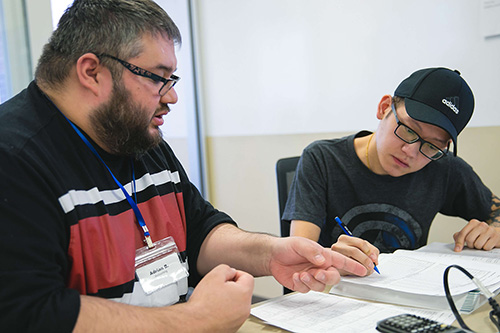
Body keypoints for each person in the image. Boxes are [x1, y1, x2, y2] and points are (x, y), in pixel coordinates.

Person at [0, 0, 368, 331]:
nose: (172, 96)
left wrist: (272, 253)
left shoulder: (133, 136)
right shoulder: (14, 159)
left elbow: (200, 230)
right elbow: (28, 313)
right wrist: (193, 320)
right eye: (158, 78)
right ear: (92, 72)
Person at [283, 67, 500, 275]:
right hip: (334, 295)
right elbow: (299, 254)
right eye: (408, 130)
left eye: (432, 146)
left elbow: (496, 213)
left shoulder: (443, 167)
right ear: (384, 107)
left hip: (407, 299)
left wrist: (495, 232)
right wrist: (331, 259)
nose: (411, 151)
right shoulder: (322, 159)